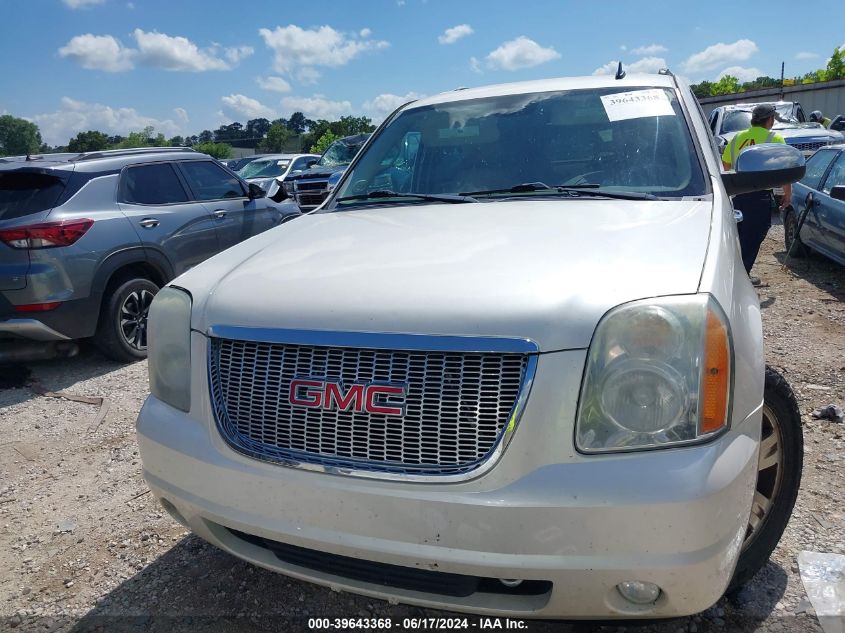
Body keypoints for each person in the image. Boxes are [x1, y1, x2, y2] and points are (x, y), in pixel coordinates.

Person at [721, 103, 793, 284]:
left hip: (737, 194)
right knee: (754, 235)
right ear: (770, 119)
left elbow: (726, 164)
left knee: (738, 235)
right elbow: (785, 169)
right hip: (759, 195)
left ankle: (734, 272)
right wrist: (787, 193)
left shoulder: (737, 138)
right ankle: (741, 277)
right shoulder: (774, 138)